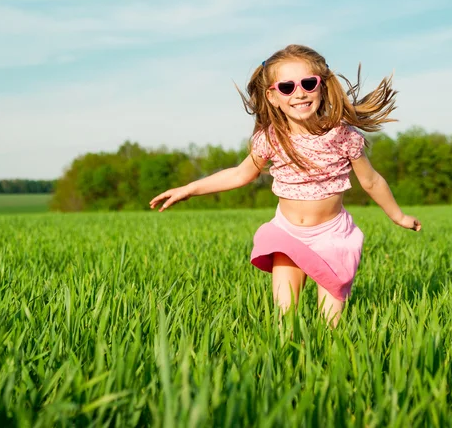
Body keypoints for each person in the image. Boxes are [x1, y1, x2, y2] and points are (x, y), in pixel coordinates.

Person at [150, 44, 421, 327]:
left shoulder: (343, 135)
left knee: (332, 325)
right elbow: (240, 174)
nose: (299, 93)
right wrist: (189, 189)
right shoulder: (271, 138)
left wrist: (398, 216)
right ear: (273, 96)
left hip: (332, 236)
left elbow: (371, 180)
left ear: (322, 87)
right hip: (287, 234)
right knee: (284, 319)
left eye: (308, 83)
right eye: (287, 87)